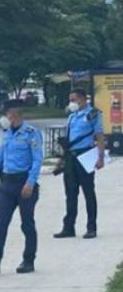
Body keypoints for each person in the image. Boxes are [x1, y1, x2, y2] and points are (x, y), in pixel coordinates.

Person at [0, 101, 44, 275]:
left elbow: (37, 160)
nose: (4, 118)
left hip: (24, 183)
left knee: (27, 223)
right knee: (1, 223)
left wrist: (30, 182)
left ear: (13, 115)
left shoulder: (31, 133)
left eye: (6, 114)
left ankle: (28, 260)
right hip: (7, 183)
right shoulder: (6, 133)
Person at [53, 88, 105, 240]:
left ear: (82, 99)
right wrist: (61, 160)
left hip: (85, 155)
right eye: (71, 100)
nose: (72, 103)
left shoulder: (93, 114)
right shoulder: (72, 116)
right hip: (70, 157)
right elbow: (69, 140)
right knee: (70, 193)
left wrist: (100, 157)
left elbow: (99, 136)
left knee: (88, 192)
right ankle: (68, 227)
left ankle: (91, 228)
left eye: (74, 100)